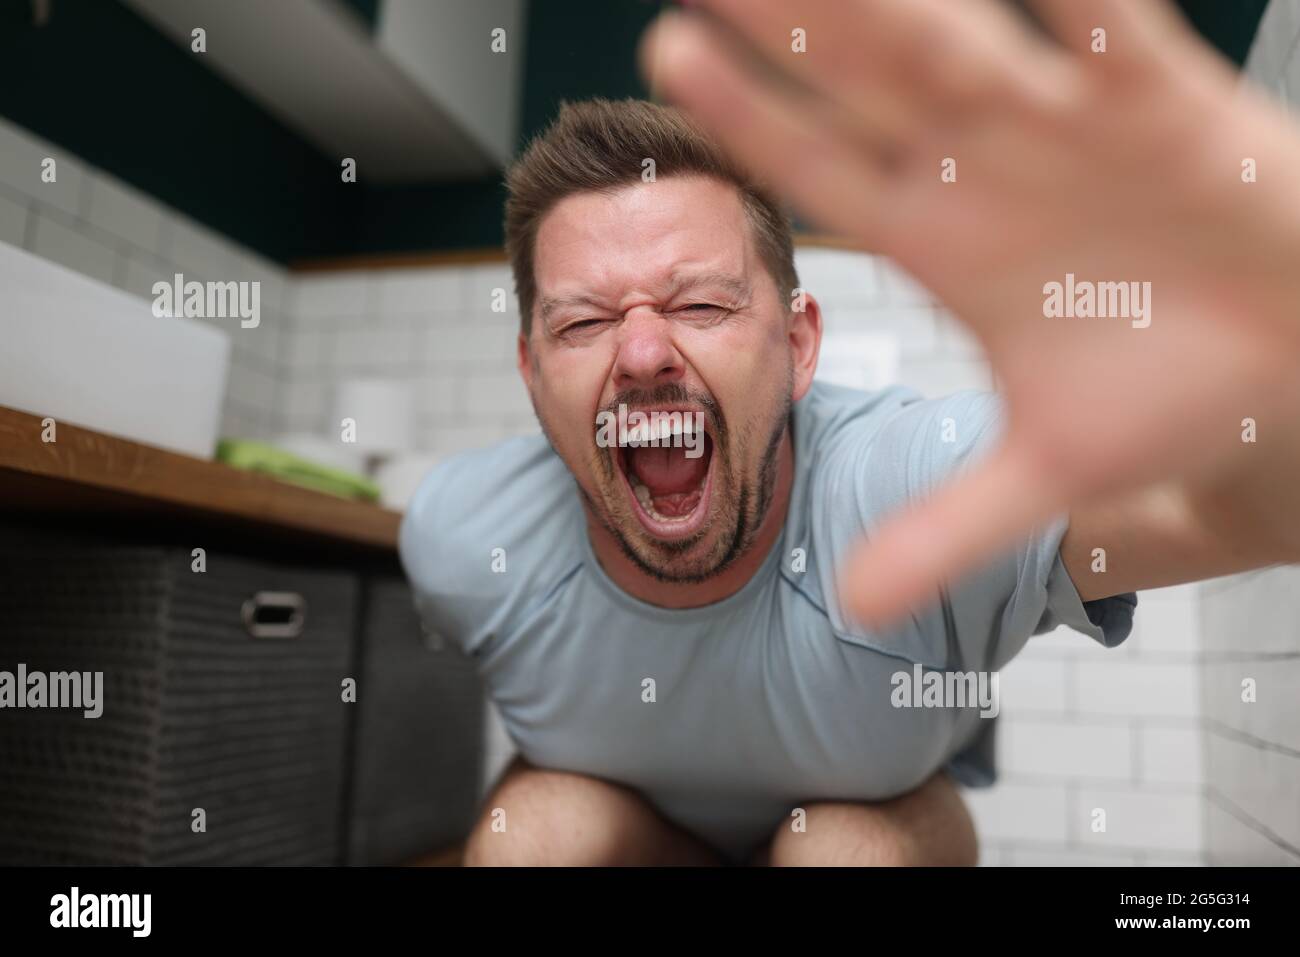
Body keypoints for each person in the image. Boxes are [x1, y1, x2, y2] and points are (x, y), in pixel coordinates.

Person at [639, 0, 1300, 629]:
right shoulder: (531, 540)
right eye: (580, 322)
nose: (643, 353)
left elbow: (1220, 522)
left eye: (698, 304)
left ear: (799, 342)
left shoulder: (897, 472)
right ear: (530, 362)